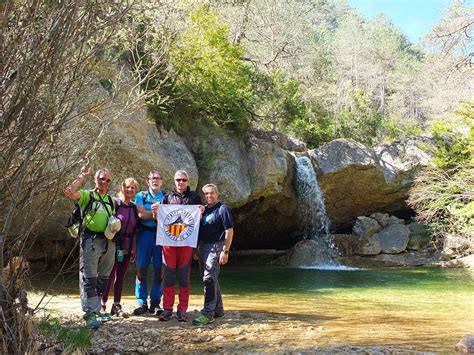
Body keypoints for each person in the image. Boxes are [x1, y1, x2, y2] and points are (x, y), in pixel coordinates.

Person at [64, 164, 116, 329]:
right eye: (101, 179)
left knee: (103, 277)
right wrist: (82, 176)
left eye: (107, 180)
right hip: (90, 240)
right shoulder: (87, 195)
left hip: (108, 241)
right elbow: (69, 192)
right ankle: (90, 313)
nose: (104, 182)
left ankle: (97, 310)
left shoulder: (110, 200)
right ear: (95, 179)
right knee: (89, 276)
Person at [157, 170, 202, 322]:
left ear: (187, 181)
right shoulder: (167, 197)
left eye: (183, 180)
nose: (181, 182)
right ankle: (167, 308)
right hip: (169, 243)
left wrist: (201, 211)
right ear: (174, 181)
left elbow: (198, 221)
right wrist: (155, 211)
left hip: (186, 243)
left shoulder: (194, 197)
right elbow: (160, 220)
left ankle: (182, 309)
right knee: (168, 276)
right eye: (178, 180)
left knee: (184, 277)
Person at [193, 184, 234, 326]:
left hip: (217, 245)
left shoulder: (223, 209)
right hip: (204, 246)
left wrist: (225, 251)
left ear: (217, 194)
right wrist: (196, 248)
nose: (209, 196)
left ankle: (207, 313)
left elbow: (229, 231)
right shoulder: (203, 210)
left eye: (212, 193)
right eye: (206, 194)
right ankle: (218, 309)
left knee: (209, 278)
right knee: (211, 278)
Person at [101, 177, 139, 318]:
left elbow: (135, 229)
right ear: (122, 187)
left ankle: (116, 304)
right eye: (127, 187)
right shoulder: (115, 203)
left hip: (128, 245)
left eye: (133, 188)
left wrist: (134, 248)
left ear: (135, 191)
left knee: (121, 276)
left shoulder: (134, 208)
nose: (130, 190)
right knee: (109, 275)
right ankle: (102, 303)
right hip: (114, 244)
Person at [133, 171, 165, 315]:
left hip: (161, 236)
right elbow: (140, 214)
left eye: (157, 178)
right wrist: (156, 215)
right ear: (147, 181)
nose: (155, 181)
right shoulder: (141, 196)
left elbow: (170, 216)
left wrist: (151, 215)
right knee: (141, 269)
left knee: (159, 270)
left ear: (161, 181)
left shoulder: (167, 197)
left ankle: (155, 302)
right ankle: (142, 302)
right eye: (152, 178)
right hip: (144, 235)